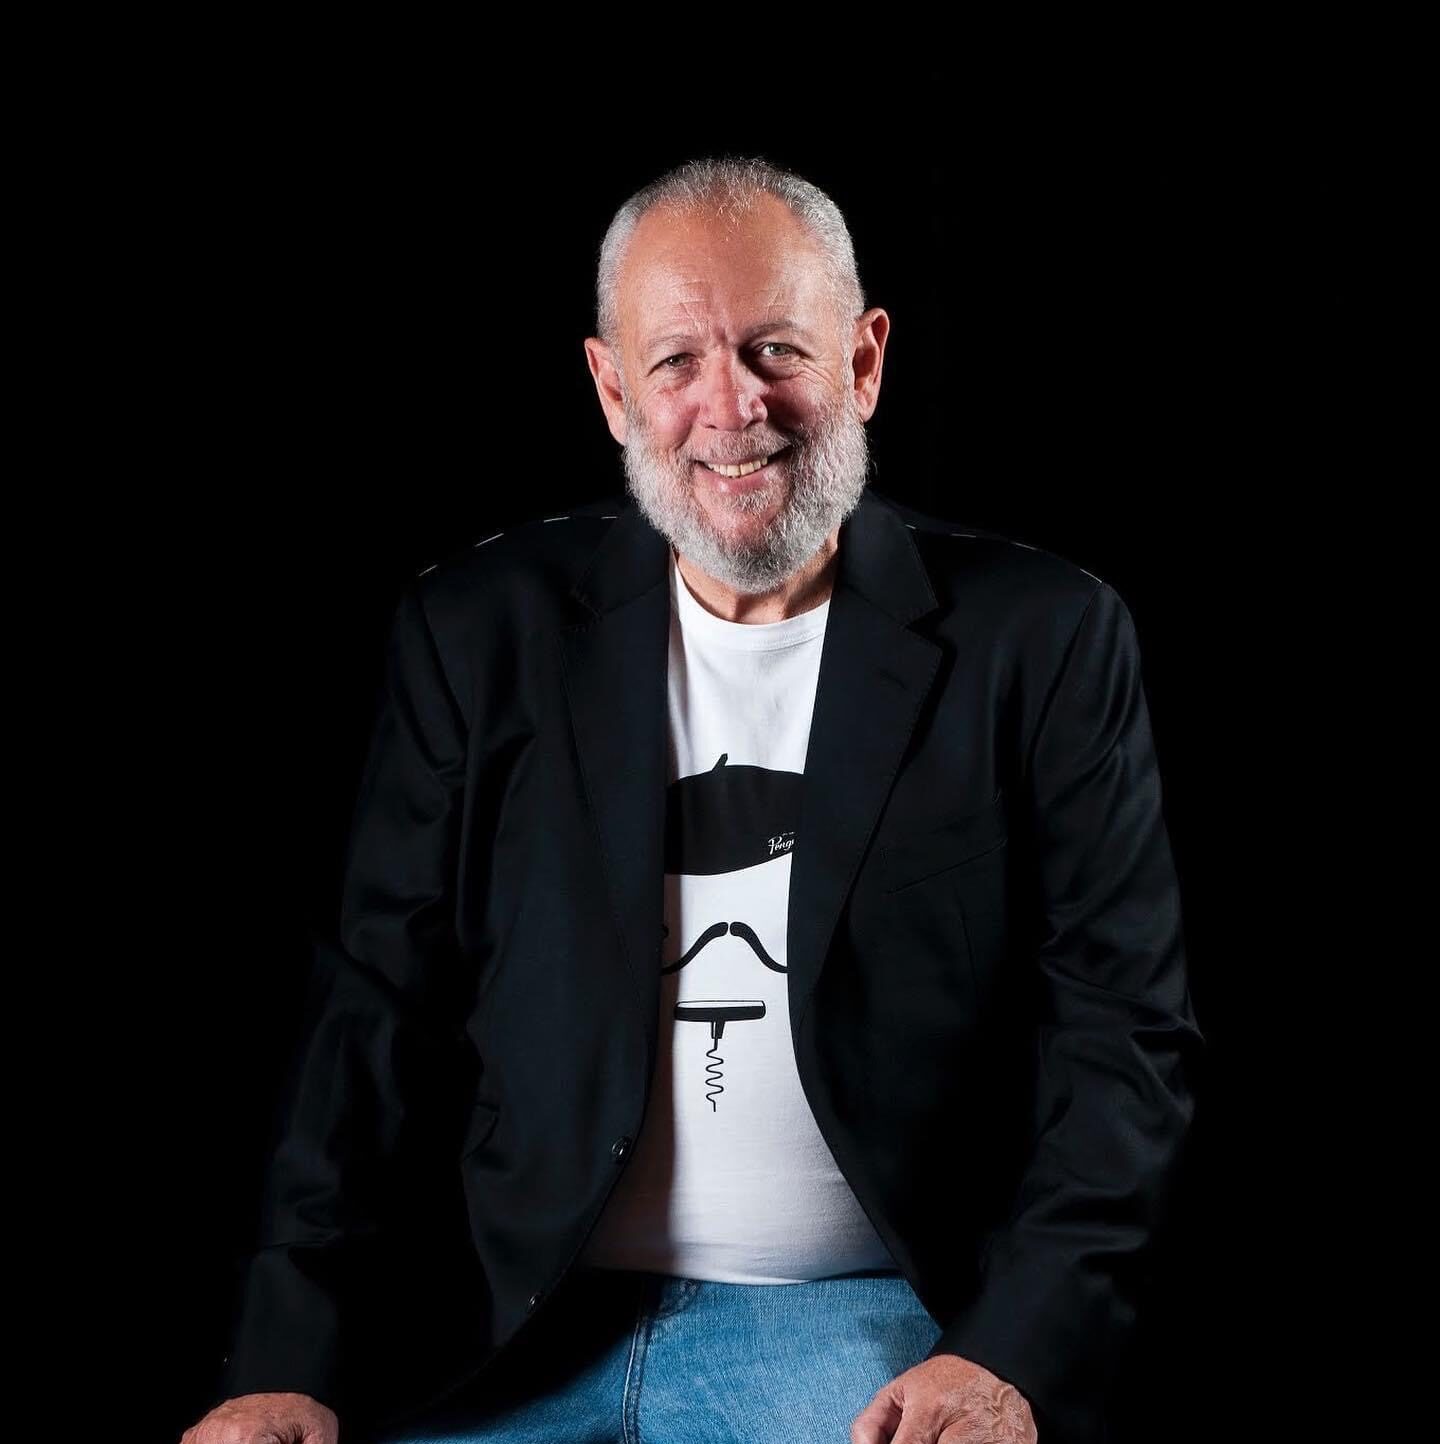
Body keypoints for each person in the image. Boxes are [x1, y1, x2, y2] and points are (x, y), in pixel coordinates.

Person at [182, 156, 1204, 1444]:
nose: (734, 406)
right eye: (677, 362)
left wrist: (1007, 1356)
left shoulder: (1043, 638)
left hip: (869, 1333)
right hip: (513, 1334)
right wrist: (286, 1361)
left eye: (777, 349)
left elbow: (1123, 1040)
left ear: (864, 362)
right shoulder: (478, 634)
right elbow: (373, 1015)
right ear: (613, 391)